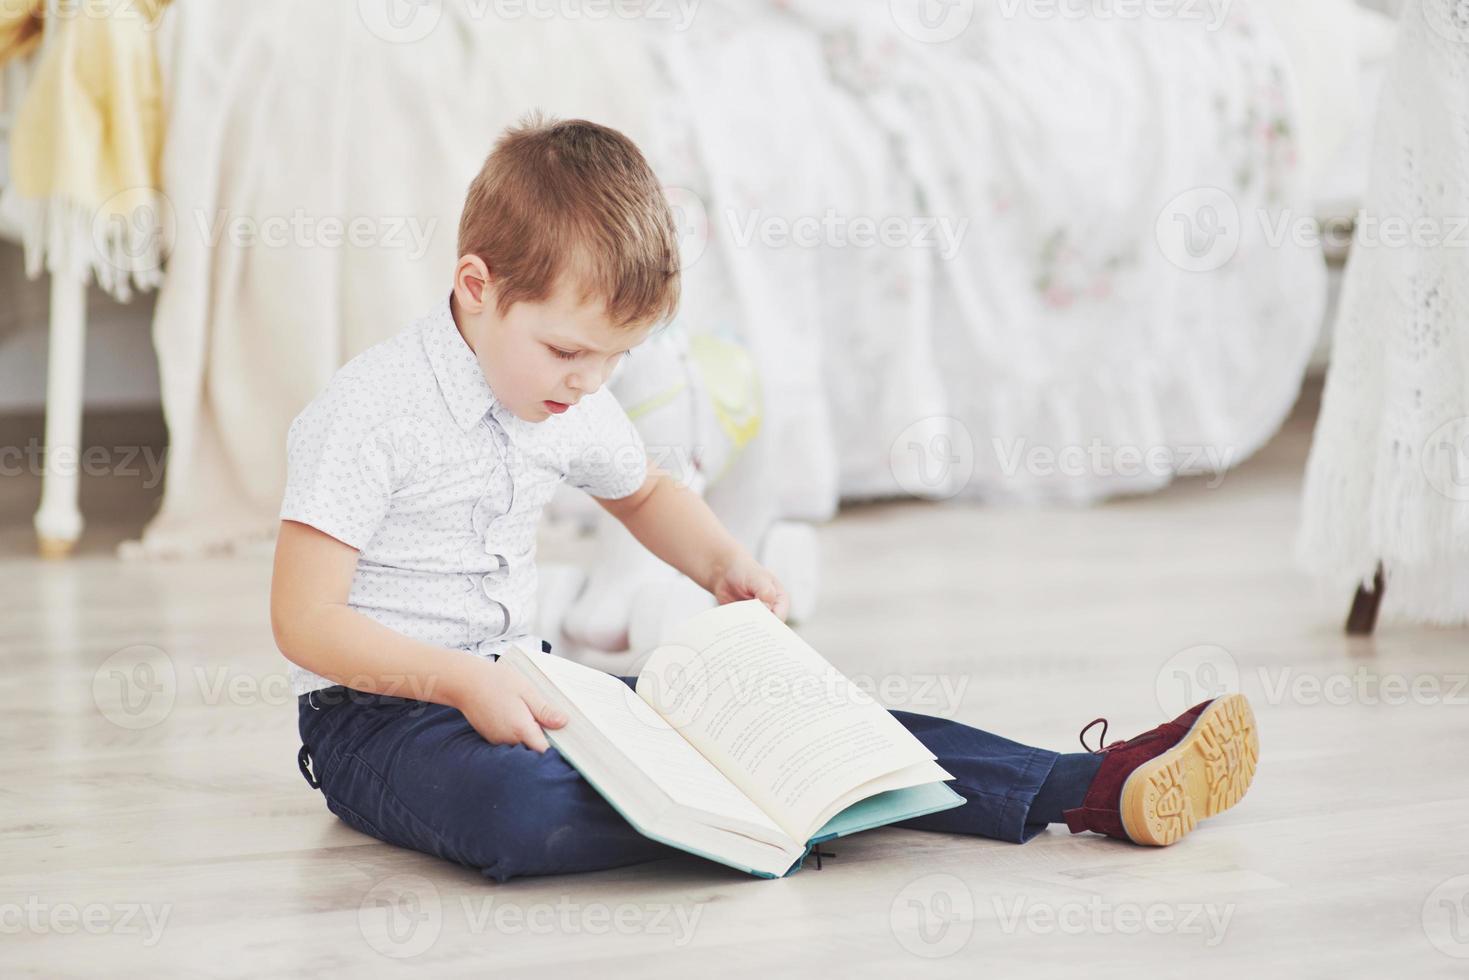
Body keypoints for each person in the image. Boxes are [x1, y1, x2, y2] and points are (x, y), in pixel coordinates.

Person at [270, 112, 1258, 882]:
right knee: (520, 812)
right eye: (569, 351)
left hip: (528, 680)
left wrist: (722, 562)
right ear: (476, 287)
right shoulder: (370, 410)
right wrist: (456, 680)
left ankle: (1089, 784)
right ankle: (788, 808)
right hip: (382, 719)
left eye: (614, 361)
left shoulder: (568, 395)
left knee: (798, 721)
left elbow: (645, 488)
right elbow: (302, 619)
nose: (586, 384)